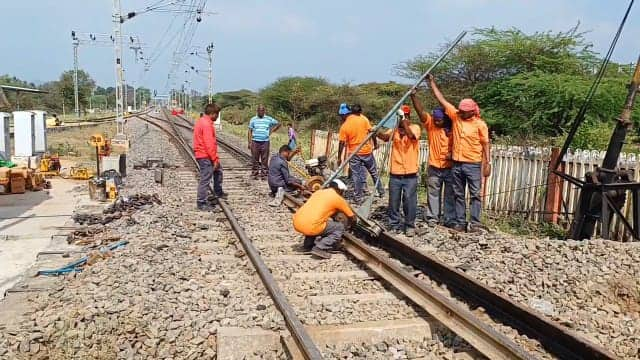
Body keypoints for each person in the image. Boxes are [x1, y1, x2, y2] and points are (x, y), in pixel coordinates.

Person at [426, 74, 491, 232]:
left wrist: (487, 163)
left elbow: (485, 143)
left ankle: (474, 223)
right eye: (460, 110)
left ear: (471, 112)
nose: (460, 112)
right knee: (458, 194)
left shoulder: (480, 125)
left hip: (473, 165)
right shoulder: (455, 117)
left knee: (475, 194)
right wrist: (431, 82)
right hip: (456, 164)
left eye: (464, 111)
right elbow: (441, 99)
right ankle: (460, 222)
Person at [410, 89, 455, 227]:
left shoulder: (454, 130)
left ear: (445, 119)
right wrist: (413, 96)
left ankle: (448, 219)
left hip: (450, 168)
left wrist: (452, 155)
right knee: (433, 193)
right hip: (434, 167)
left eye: (439, 120)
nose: (436, 121)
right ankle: (432, 218)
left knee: (449, 195)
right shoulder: (431, 127)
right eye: (435, 119)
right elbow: (421, 113)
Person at [376, 105, 421, 237]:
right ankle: (394, 223)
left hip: (410, 174)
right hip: (395, 172)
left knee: (409, 200)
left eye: (405, 116)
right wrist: (376, 132)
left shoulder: (414, 128)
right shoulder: (394, 130)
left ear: (408, 116)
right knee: (394, 200)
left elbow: (412, 137)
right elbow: (385, 137)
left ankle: (409, 225)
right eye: (401, 116)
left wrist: (404, 123)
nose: (403, 118)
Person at [293, 179, 356, 259]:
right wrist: (352, 227)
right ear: (339, 189)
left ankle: (308, 245)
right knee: (339, 227)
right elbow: (352, 217)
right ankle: (320, 247)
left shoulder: (318, 192)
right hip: (311, 226)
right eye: (342, 191)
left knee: (317, 219)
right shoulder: (337, 198)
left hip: (297, 222)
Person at [337, 103, 384, 204]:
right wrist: (375, 144)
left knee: (356, 175)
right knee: (374, 172)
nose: (341, 117)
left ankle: (358, 197)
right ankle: (381, 191)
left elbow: (341, 143)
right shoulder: (363, 118)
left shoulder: (344, 126)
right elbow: (372, 132)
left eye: (341, 116)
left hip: (354, 154)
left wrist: (339, 157)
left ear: (344, 115)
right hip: (367, 151)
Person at [193, 103, 226, 211]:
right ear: (213, 114)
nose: (217, 117)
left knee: (218, 171)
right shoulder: (207, 124)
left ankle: (218, 192)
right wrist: (215, 159)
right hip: (205, 155)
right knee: (206, 178)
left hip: (202, 154)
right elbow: (209, 143)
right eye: (217, 114)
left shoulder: (201, 121)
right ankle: (201, 202)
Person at [248, 104, 280, 180]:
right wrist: (249, 142)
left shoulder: (268, 119)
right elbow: (250, 131)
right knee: (255, 158)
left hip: (265, 142)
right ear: (257, 111)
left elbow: (278, 124)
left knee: (264, 159)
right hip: (255, 141)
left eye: (262, 110)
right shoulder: (253, 119)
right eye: (259, 110)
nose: (261, 112)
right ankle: (254, 173)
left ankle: (264, 174)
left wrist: (272, 131)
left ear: (264, 111)